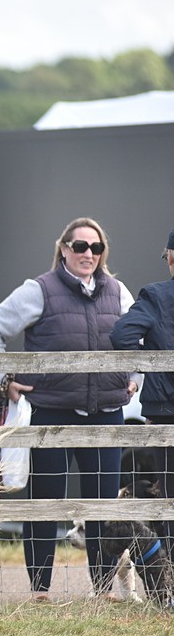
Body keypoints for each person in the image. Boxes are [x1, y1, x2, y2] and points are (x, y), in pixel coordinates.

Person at [0, 217, 140, 601]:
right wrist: (5, 380)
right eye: (80, 246)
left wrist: (136, 377)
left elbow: (138, 339)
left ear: (103, 253)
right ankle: (40, 590)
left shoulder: (119, 292)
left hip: (105, 414)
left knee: (101, 505)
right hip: (51, 413)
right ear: (64, 248)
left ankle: (101, 590)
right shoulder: (39, 290)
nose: (88, 254)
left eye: (95, 247)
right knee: (45, 504)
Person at [110, 227, 174, 543]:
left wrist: (152, 360)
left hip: (166, 410)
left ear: (171, 260)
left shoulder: (157, 296)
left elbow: (121, 336)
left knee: (170, 499)